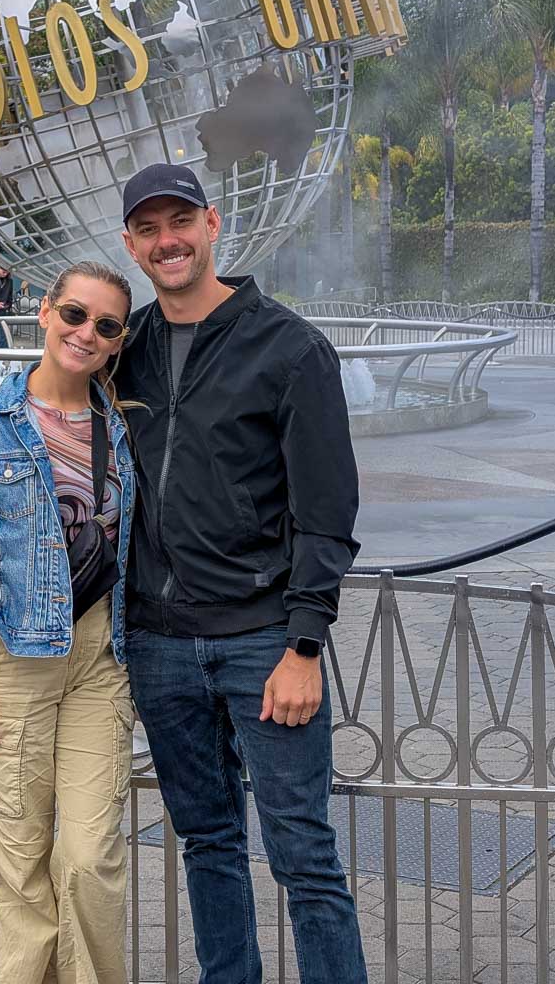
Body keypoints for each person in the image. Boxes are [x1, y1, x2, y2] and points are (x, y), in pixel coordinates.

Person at [116, 163, 367, 984]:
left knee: (304, 855)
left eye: (180, 222)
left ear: (213, 224)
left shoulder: (289, 347)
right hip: (159, 646)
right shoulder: (126, 350)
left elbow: (326, 509)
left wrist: (305, 645)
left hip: (264, 643)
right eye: (149, 229)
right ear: (131, 244)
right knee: (208, 843)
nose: (167, 241)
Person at [0, 261, 136, 984]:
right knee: (19, 868)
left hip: (100, 660)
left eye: (105, 325)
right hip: (9, 662)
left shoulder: (125, 429)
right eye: (74, 314)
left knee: (89, 858)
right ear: (44, 312)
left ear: (118, 340)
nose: (85, 333)